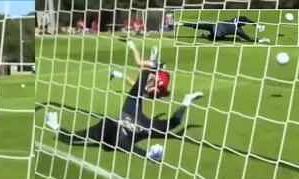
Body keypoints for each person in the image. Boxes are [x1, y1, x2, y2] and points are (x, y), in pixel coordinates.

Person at [45, 44, 203, 159]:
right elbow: (136, 151)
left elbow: (72, 137)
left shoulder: (101, 129)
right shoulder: (118, 140)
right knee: (172, 124)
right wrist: (150, 154)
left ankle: (151, 65)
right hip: (142, 126)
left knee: (137, 90)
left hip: (129, 113)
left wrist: (56, 126)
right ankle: (186, 101)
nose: (110, 121)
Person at [176, 16, 269, 43]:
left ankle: (182, 24)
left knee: (199, 25)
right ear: (242, 25)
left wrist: (257, 26)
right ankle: (206, 36)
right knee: (219, 38)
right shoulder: (238, 31)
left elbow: (245, 19)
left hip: (213, 26)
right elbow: (248, 39)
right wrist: (260, 40)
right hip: (217, 34)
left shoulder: (233, 19)